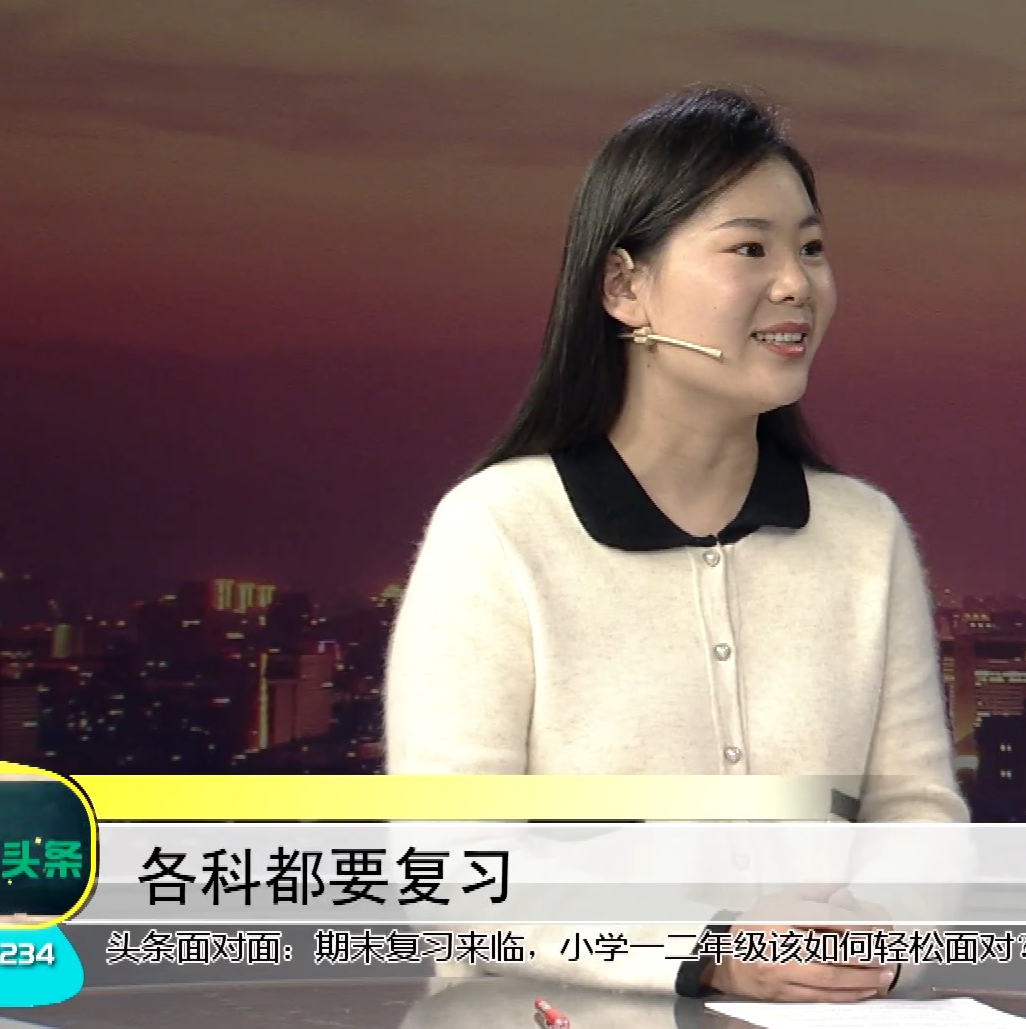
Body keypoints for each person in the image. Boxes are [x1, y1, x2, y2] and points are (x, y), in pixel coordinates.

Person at [384, 84, 968, 1002]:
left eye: (812, 248)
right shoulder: (500, 528)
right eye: (750, 248)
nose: (797, 284)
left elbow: (916, 810)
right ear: (624, 287)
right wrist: (709, 950)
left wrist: (881, 934)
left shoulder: (864, 536)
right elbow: (452, 866)